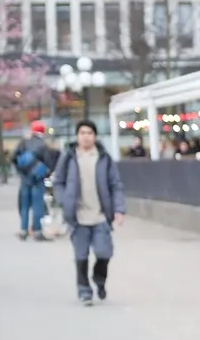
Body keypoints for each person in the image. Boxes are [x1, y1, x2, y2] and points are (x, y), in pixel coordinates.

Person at [53, 120, 126, 306]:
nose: (86, 136)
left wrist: (119, 209)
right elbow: (58, 181)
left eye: (89, 133)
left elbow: (115, 185)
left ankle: (99, 279)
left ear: (94, 136)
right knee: (81, 255)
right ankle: (84, 290)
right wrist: (64, 200)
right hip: (77, 216)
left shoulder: (104, 158)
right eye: (82, 133)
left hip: (101, 215)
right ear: (77, 136)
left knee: (104, 253)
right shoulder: (68, 157)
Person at [13, 120, 52, 240]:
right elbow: (48, 163)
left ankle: (23, 231)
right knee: (37, 205)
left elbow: (14, 157)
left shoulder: (23, 142)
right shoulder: (43, 144)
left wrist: (21, 171)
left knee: (24, 205)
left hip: (25, 179)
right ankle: (37, 231)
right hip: (38, 179)